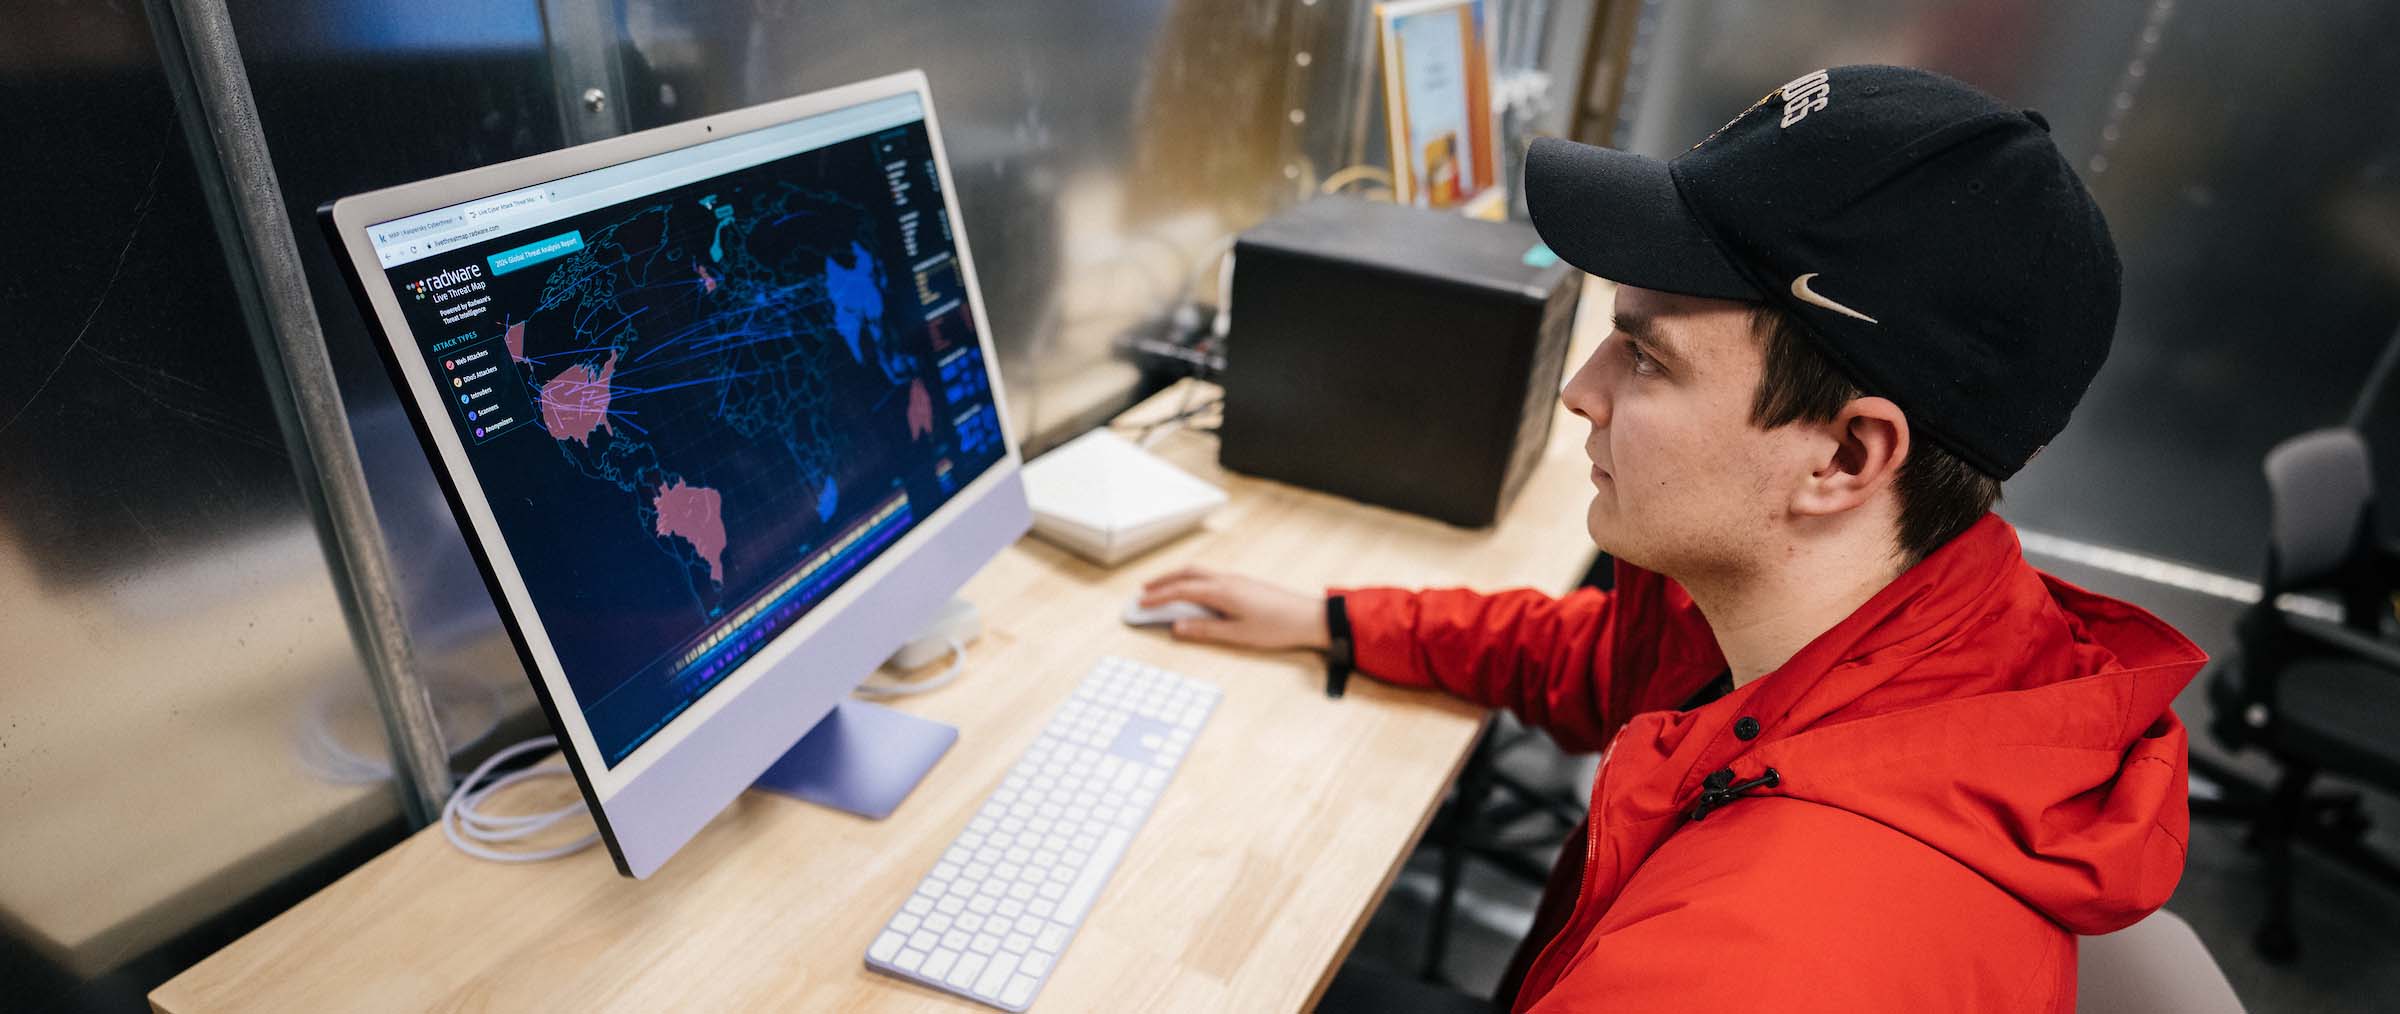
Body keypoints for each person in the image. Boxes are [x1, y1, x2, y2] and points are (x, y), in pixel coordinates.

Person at [1142, 66, 2206, 1012]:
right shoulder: (1873, 628)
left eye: (1646, 360)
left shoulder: (1754, 965)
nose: (1578, 393)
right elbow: (1604, 661)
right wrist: (1335, 620)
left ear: (1843, 459)